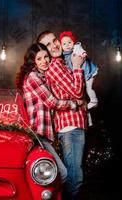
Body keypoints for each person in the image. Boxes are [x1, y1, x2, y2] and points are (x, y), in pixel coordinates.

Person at [15, 42, 80, 184]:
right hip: (38, 134)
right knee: (62, 174)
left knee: (46, 176)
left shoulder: (44, 77)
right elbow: (52, 102)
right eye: (39, 59)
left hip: (45, 135)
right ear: (33, 62)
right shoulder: (32, 76)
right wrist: (73, 104)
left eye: (46, 57)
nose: (44, 61)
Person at [37, 31, 87, 199]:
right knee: (75, 177)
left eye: (54, 41)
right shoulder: (55, 66)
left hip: (74, 124)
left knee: (74, 175)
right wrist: (78, 66)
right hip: (70, 126)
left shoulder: (61, 63)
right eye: (48, 45)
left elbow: (77, 95)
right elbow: (77, 92)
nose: (54, 45)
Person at [60, 31, 98, 109]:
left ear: (73, 42)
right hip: (81, 76)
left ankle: (94, 101)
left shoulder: (76, 48)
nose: (67, 45)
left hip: (88, 73)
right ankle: (89, 101)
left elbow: (81, 50)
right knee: (84, 90)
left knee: (89, 88)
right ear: (61, 46)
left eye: (69, 42)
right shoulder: (64, 56)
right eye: (64, 44)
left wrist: (83, 53)